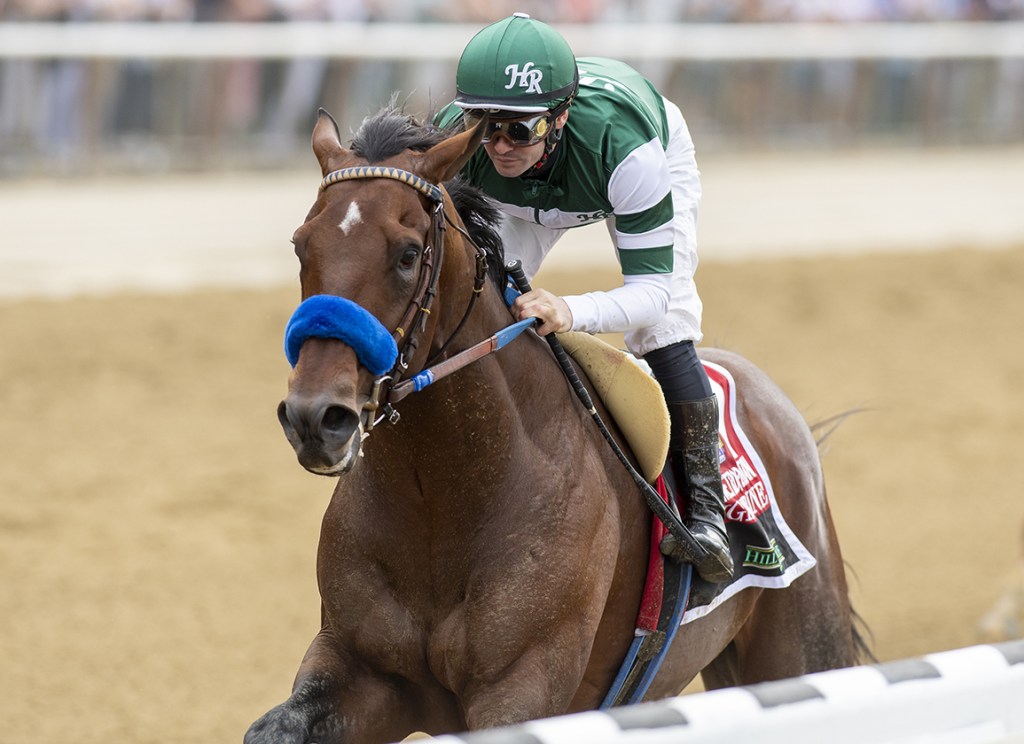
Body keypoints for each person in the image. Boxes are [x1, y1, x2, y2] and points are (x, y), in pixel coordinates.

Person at [434, 13, 733, 583]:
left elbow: (652, 293)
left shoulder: (628, 150)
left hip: (623, 167)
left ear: (560, 116)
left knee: (663, 325)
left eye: (519, 130)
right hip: (529, 196)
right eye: (484, 126)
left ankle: (707, 509)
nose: (499, 146)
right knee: (482, 298)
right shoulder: (456, 142)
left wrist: (571, 311)